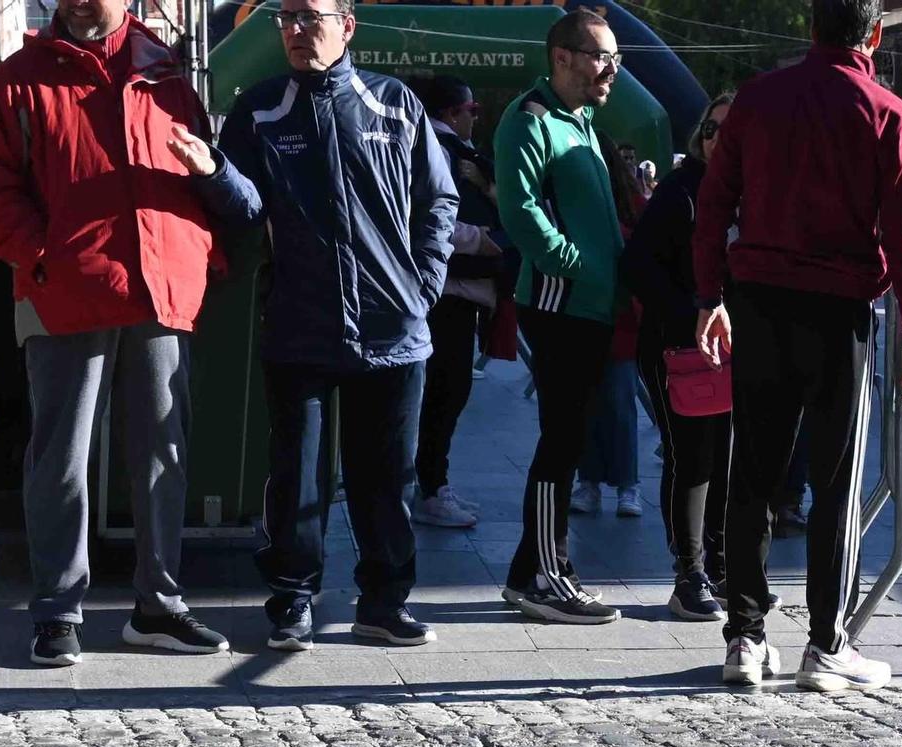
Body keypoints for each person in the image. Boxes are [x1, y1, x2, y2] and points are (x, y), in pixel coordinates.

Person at [0, 0, 248, 666]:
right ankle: (58, 610)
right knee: (59, 455)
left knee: (163, 454)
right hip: (66, 291)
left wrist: (197, 252)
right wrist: (41, 257)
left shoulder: (166, 70)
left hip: (160, 286)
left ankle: (159, 606)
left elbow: (194, 166)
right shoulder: (19, 79)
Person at [695, 0, 902, 693]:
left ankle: (744, 636)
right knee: (833, 482)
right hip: (840, 311)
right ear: (876, 33)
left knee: (753, 474)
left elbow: (715, 203)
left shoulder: (758, 101)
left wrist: (709, 296)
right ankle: (826, 644)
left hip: (760, 302)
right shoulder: (890, 115)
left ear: (810, 28)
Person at [206, 0, 457, 650]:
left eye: (308, 16)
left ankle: (383, 602)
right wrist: (212, 171)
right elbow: (243, 209)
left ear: (346, 26)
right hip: (301, 326)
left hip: (393, 329)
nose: (293, 29)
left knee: (387, 479)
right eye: (284, 17)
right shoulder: (260, 110)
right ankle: (292, 600)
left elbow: (440, 198)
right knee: (295, 478)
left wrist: (423, 284)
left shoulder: (393, 103)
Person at [495, 8, 626, 626]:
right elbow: (520, 213)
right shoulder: (531, 121)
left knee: (570, 439)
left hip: (592, 305)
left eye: (616, 58)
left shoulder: (584, 122)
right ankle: (548, 574)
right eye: (602, 56)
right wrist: (576, 264)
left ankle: (529, 573)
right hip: (559, 303)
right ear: (563, 57)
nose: (611, 69)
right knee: (561, 441)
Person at [623, 94, 734, 622]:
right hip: (679, 346)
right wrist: (694, 310)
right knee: (691, 456)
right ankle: (688, 573)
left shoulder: (757, 192)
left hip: (739, 351)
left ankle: (722, 565)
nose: (716, 137)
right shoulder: (680, 190)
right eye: (710, 127)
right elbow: (640, 266)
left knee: (727, 457)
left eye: (728, 130)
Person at [412, 75, 500, 530]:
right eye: (472, 110)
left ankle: (430, 483)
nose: (474, 119)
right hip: (447, 292)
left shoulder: (444, 151)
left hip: (452, 292)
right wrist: (484, 241)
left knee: (443, 392)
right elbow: (431, 218)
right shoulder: (440, 153)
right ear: (451, 113)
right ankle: (430, 487)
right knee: (444, 392)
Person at [573, 133, 646, 519]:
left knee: (619, 404)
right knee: (588, 404)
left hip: (619, 318)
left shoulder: (633, 206)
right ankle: (589, 481)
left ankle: (627, 485)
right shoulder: (575, 201)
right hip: (585, 314)